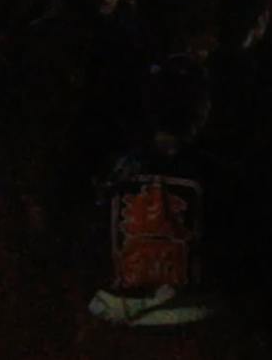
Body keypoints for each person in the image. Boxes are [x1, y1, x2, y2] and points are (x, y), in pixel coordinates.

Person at [81, 56, 236, 345]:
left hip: (116, 317)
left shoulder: (115, 169)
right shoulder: (216, 175)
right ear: (202, 109)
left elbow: (90, 242)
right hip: (189, 321)